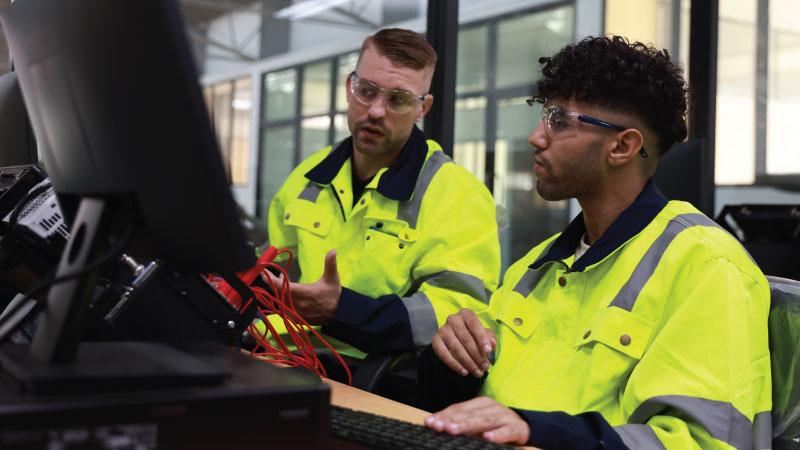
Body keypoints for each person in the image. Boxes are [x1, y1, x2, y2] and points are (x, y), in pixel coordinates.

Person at [417, 36, 772, 449]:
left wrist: (536, 429)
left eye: (559, 121)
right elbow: (466, 399)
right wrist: (451, 359)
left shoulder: (707, 266)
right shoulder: (537, 266)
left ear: (622, 146)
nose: (535, 137)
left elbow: (698, 442)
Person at [265, 29, 501, 369]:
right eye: (367, 91)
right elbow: (272, 265)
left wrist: (341, 311)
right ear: (350, 87)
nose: (375, 111)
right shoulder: (308, 176)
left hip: (368, 374)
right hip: (277, 355)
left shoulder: (458, 195)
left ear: (423, 108)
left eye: (398, 99)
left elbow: (454, 313)